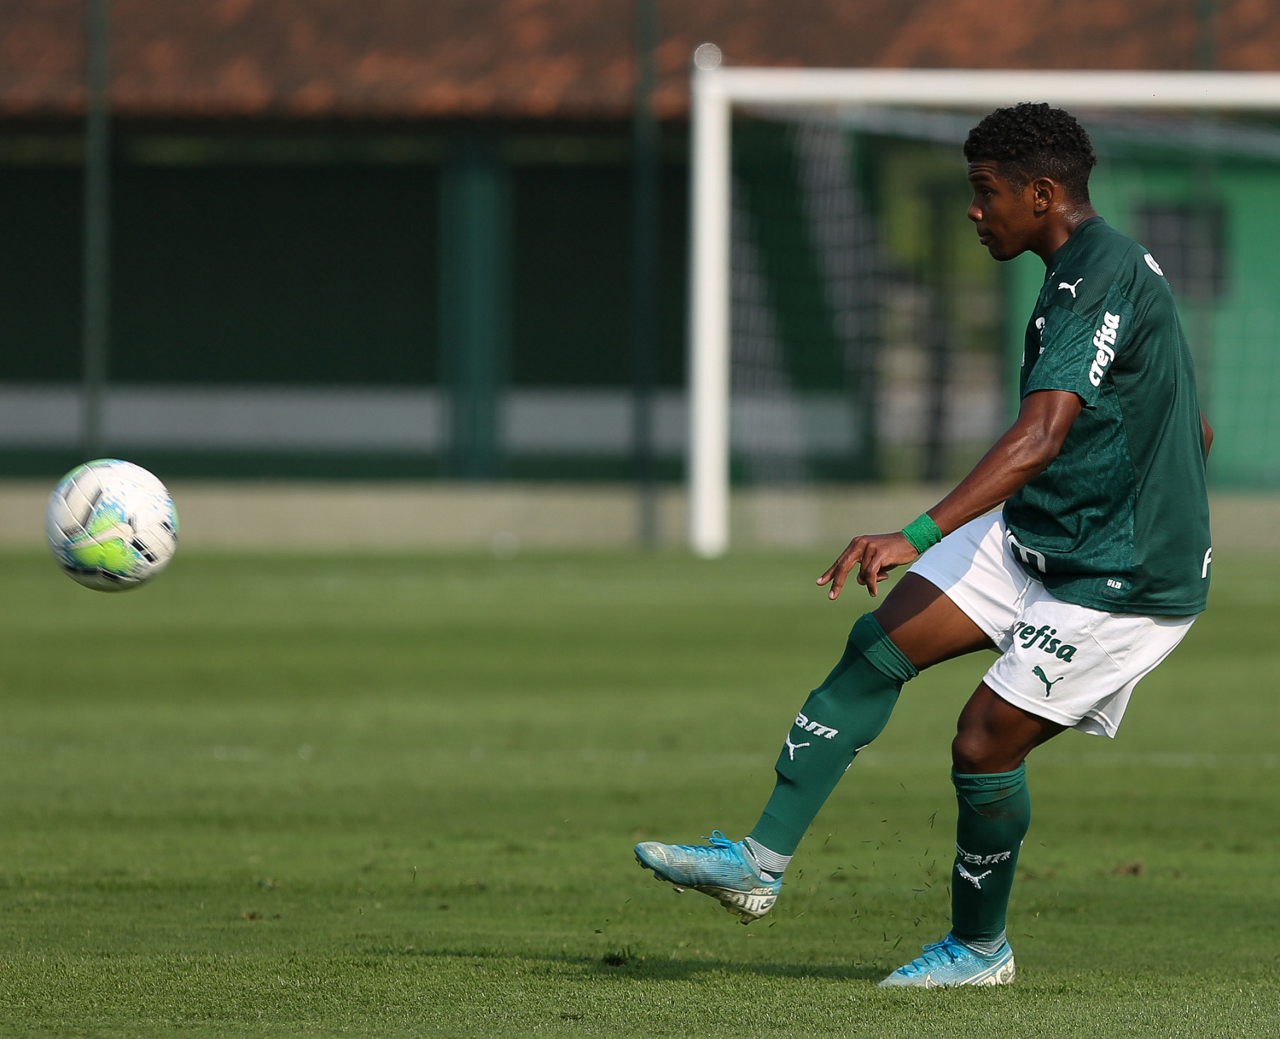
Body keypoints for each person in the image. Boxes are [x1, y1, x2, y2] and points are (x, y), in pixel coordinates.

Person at [634, 102, 1213, 988]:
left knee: (982, 742)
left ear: (1042, 193)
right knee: (879, 646)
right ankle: (758, 863)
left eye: (986, 192)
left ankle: (980, 950)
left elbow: (1038, 437)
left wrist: (914, 533)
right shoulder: (1095, 268)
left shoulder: (1096, 276)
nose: (974, 210)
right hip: (1042, 532)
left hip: (1121, 580)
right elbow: (1192, 426)